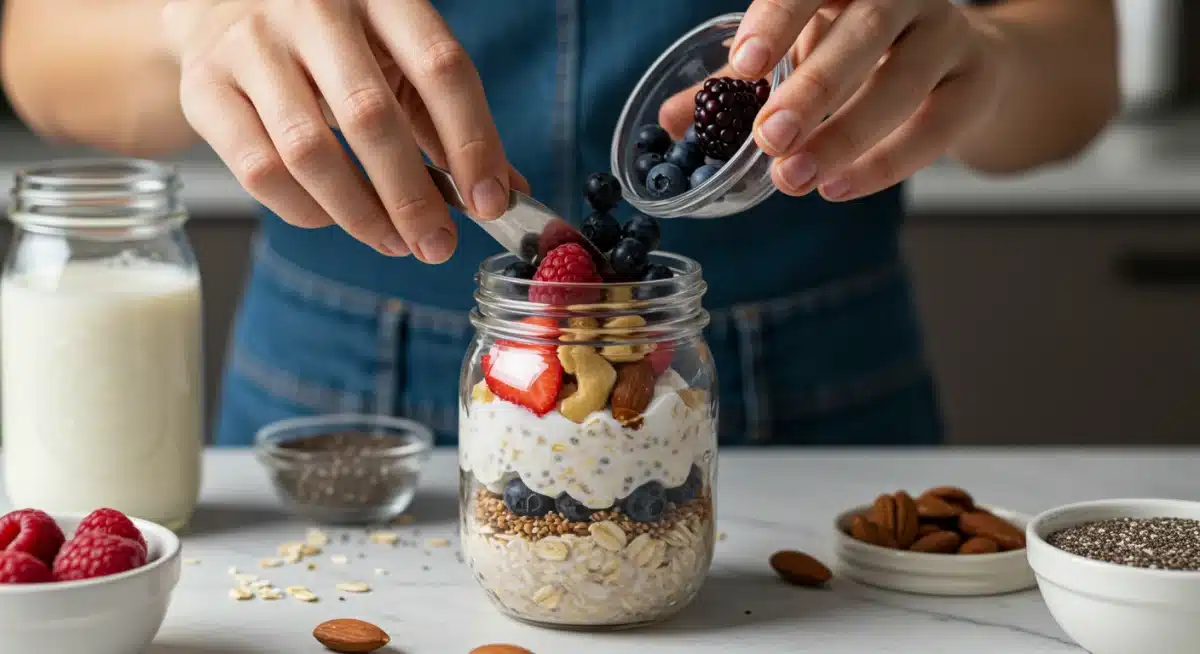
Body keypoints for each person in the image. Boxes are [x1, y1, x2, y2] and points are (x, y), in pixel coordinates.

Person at [1, 0, 1118, 447]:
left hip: (811, 389)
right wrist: (187, 20)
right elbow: (40, 52)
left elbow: (1078, 64)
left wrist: (983, 57)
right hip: (335, 393)